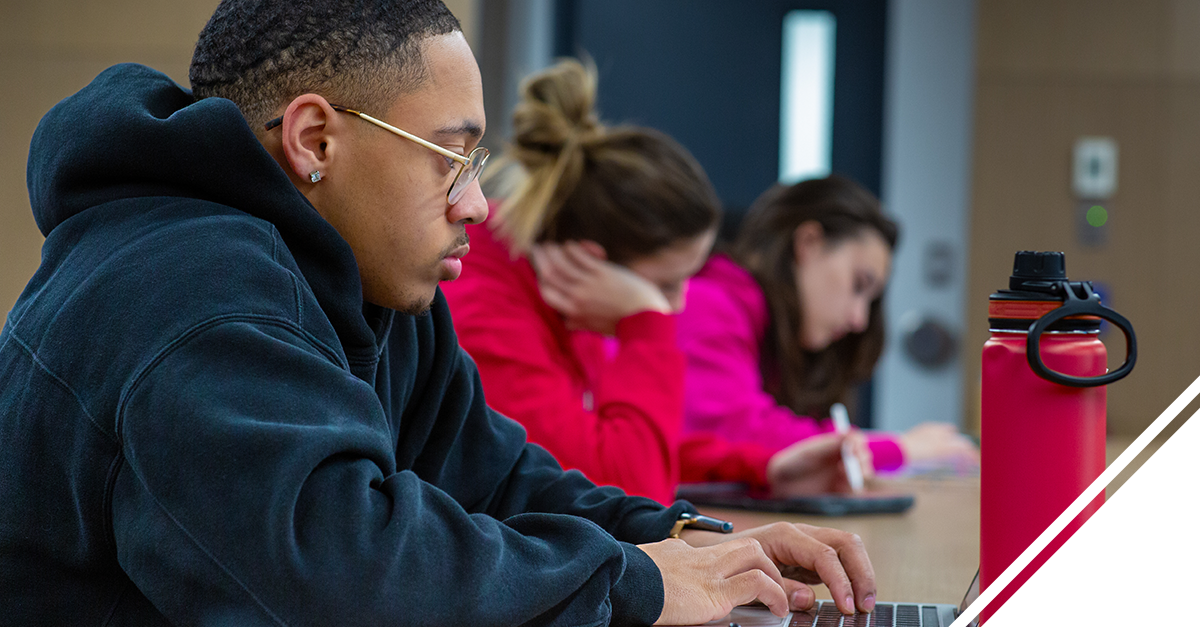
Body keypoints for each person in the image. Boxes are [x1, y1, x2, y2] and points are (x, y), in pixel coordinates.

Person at [0, 1, 878, 625]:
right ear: (315, 142)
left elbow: (495, 479)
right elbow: (347, 581)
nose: (478, 206)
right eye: (448, 159)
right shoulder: (189, 296)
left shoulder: (371, 284)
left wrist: (690, 542)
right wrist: (635, 586)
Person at [442, 59, 873, 508]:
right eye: (666, 284)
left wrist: (762, 469)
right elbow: (628, 495)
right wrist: (645, 322)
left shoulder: (556, 298)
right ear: (592, 264)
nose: (678, 304)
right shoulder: (487, 311)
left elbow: (611, 438)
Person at [678, 176, 978, 471]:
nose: (858, 319)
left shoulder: (771, 336)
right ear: (809, 243)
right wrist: (898, 449)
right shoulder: (707, 302)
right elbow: (739, 434)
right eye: (859, 284)